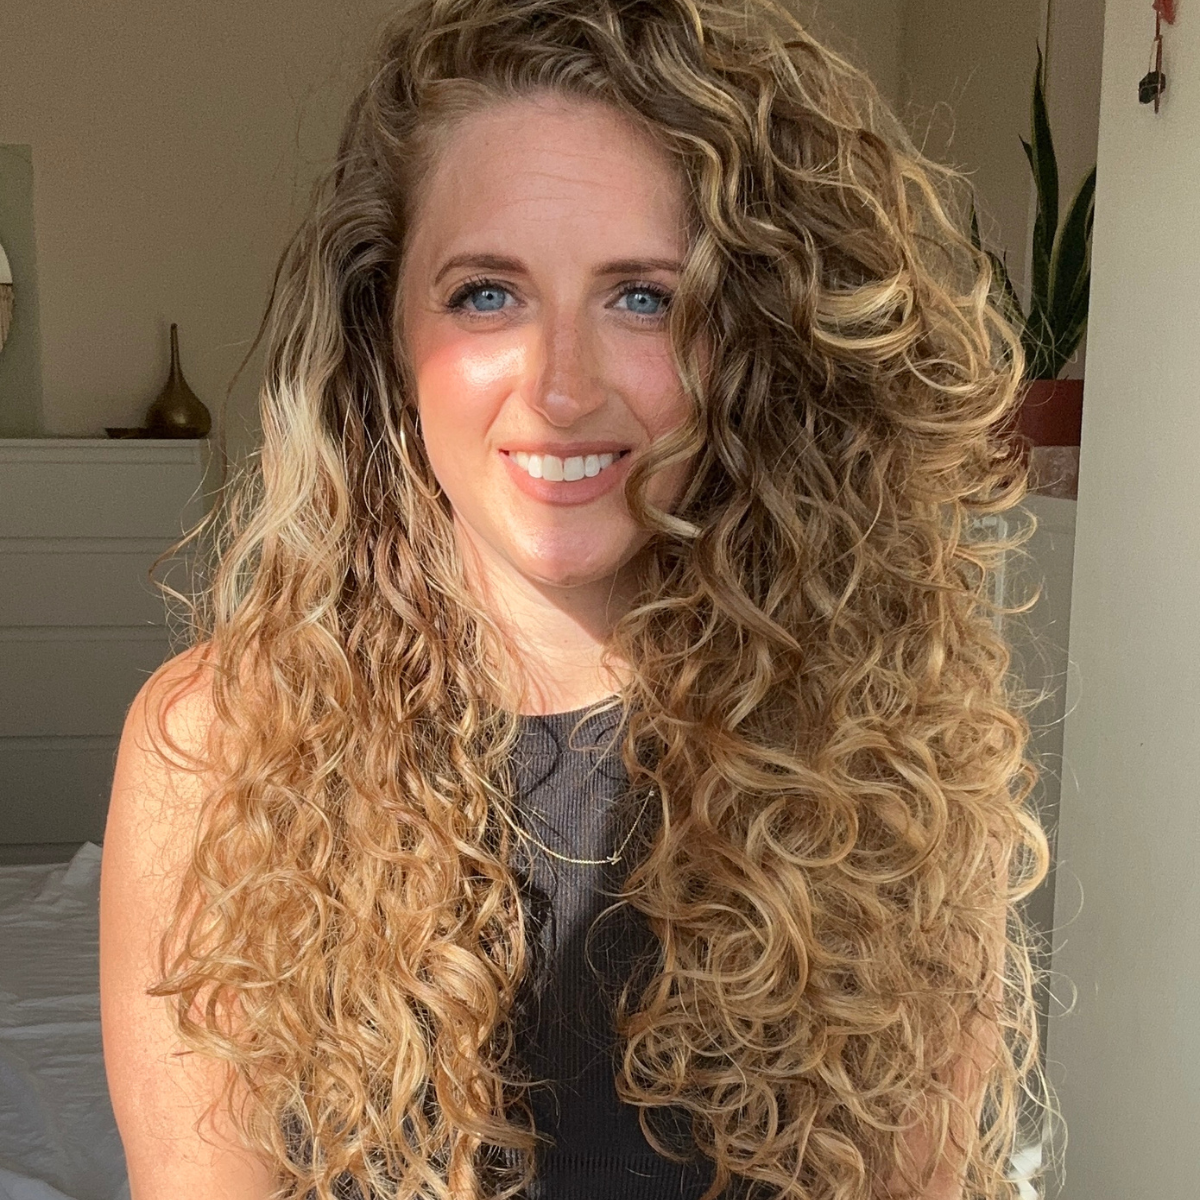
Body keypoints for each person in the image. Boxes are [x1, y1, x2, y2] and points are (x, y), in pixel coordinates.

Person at [99, 1, 1052, 1198]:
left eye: (643, 297)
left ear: (745, 342)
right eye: (486, 294)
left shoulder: (886, 756)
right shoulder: (215, 749)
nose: (561, 389)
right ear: (387, 332)